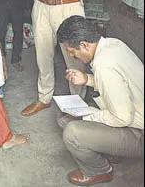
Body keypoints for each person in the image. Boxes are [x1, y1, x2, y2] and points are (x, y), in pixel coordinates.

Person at [55, 15, 144, 186]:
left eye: (72, 52)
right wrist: (87, 79)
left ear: (83, 45)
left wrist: (88, 115)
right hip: (134, 114)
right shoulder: (113, 44)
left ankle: (99, 170)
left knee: (71, 131)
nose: (73, 56)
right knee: (66, 118)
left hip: (139, 132)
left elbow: (122, 118)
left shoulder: (103, 65)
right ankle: (113, 150)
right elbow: (119, 83)